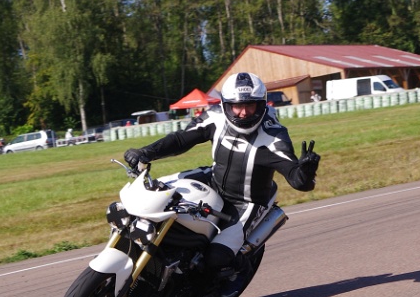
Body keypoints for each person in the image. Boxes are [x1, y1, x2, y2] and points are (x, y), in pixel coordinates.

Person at [124, 71, 320, 276]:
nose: (243, 113)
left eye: (250, 105)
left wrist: (305, 173)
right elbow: (182, 139)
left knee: (215, 259)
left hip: (246, 201)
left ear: (261, 105)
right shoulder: (215, 117)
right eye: (237, 106)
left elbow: (297, 180)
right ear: (226, 105)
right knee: (154, 198)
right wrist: (146, 152)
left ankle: (239, 266)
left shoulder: (273, 137)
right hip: (212, 181)